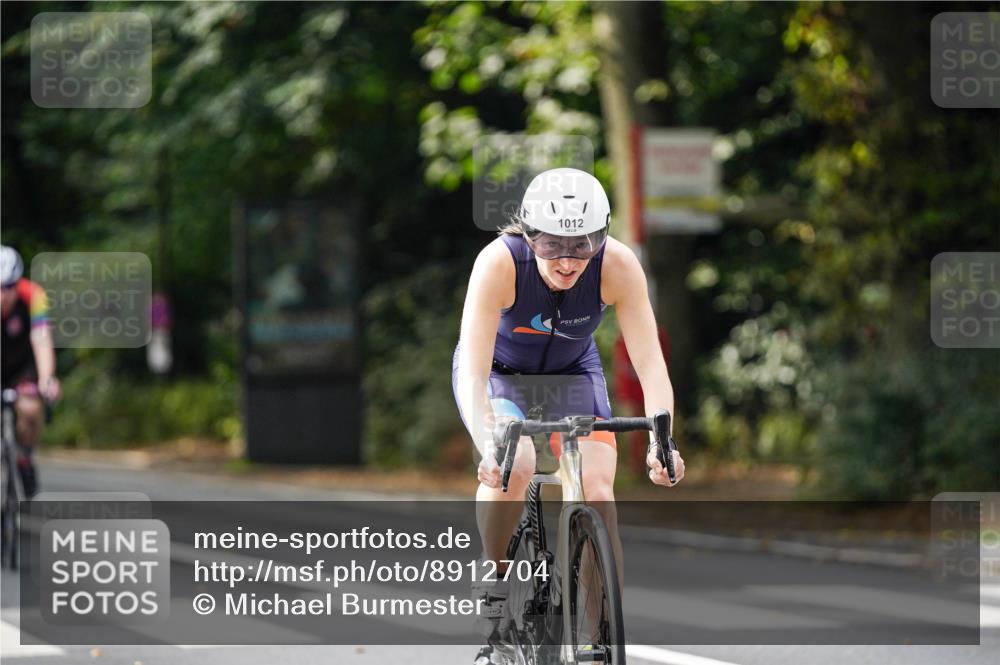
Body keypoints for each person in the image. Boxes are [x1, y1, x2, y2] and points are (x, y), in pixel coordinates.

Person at [452, 168, 685, 664]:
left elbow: (650, 365)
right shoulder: (499, 264)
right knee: (514, 464)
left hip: (573, 374)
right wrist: (488, 439)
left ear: (600, 237)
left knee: (599, 492)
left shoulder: (617, 265)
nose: (566, 261)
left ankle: (601, 636)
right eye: (552, 244)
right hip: (499, 374)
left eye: (582, 245)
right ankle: (494, 576)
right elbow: (472, 372)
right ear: (528, 234)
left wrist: (663, 442)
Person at [1, 245, 60, 497]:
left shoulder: (34, 296)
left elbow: (42, 339)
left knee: (30, 407)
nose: (3, 295)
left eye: (9, 287)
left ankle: (24, 459)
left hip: (22, 366)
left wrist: (47, 378)